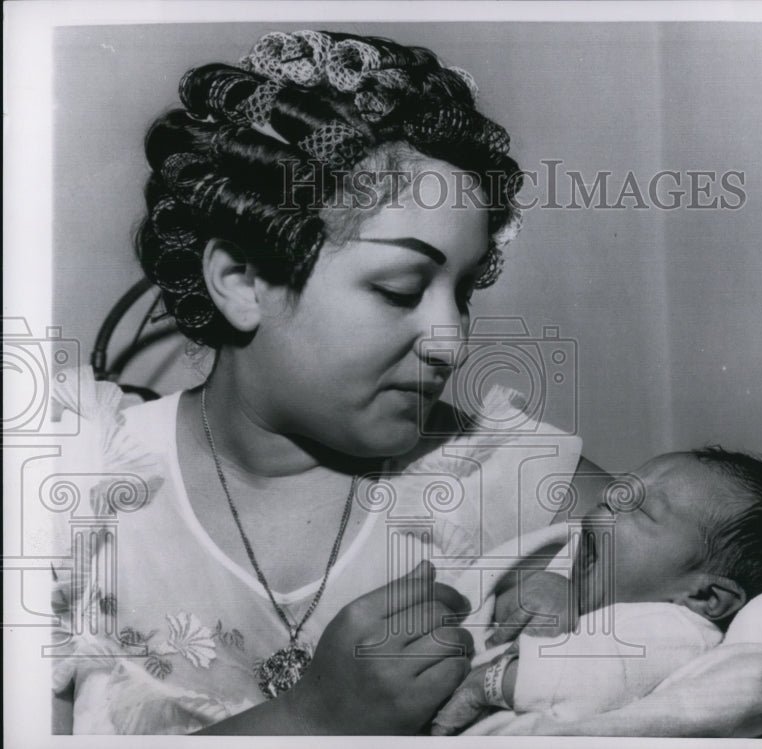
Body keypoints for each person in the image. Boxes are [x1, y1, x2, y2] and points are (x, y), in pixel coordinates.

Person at [49, 29, 609, 735]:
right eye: (400, 288)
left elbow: (729, 580)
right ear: (241, 280)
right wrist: (312, 718)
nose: (451, 341)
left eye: (463, 292)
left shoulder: (501, 476)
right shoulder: (77, 492)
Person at [430, 447, 762, 734]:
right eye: (625, 485)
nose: (609, 493)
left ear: (704, 598)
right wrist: (549, 587)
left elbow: (585, 677)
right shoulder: (599, 582)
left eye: (642, 508)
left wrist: (490, 682)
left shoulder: (680, 633)